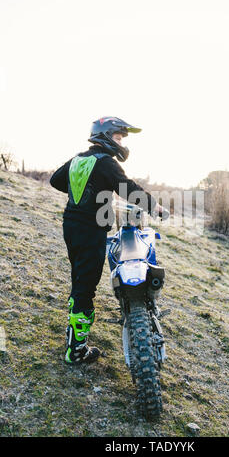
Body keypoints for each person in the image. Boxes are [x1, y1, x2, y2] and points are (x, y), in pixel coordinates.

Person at [50, 117, 165, 365]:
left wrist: (81, 192)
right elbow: (129, 189)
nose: (121, 142)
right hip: (91, 230)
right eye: (119, 137)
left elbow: (55, 180)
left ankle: (73, 328)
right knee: (86, 286)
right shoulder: (106, 163)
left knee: (78, 277)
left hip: (71, 225)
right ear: (105, 136)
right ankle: (76, 351)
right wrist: (155, 207)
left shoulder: (78, 159)